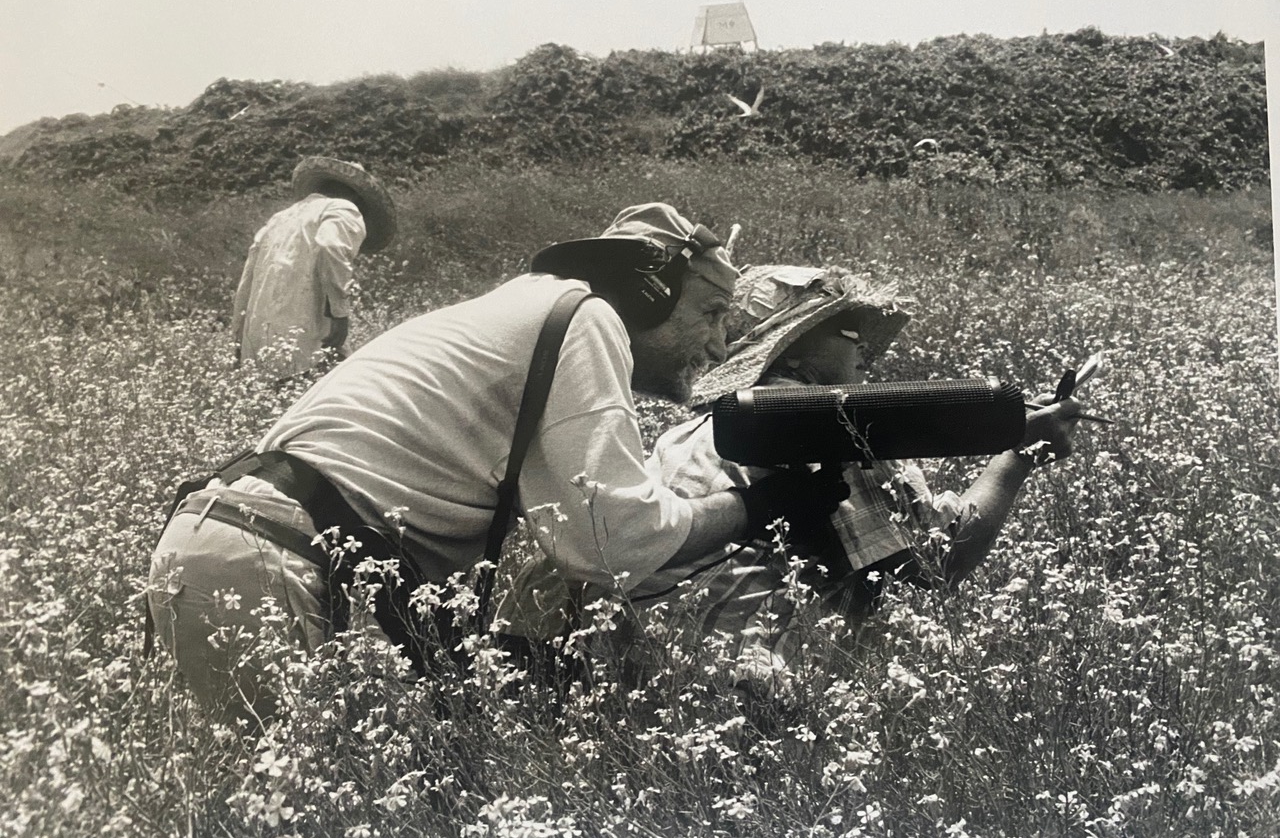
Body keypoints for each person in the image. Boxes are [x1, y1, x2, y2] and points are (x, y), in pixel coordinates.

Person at [147, 206, 848, 726]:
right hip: (280, 568)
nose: (721, 343)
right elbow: (616, 543)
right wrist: (762, 506)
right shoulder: (586, 317)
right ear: (649, 293)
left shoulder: (529, 313)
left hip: (232, 546)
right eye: (713, 311)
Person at [499, 264, 1085, 695]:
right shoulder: (824, 428)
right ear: (795, 347)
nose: (869, 353)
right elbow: (933, 566)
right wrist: (1020, 455)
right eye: (850, 333)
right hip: (756, 701)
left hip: (647, 688)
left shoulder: (703, 430)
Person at [231, 156, 397, 379]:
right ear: (357, 196)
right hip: (308, 336)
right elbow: (331, 246)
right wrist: (339, 315)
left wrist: (239, 339)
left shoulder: (279, 218)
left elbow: (246, 280)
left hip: (263, 339)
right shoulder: (344, 208)